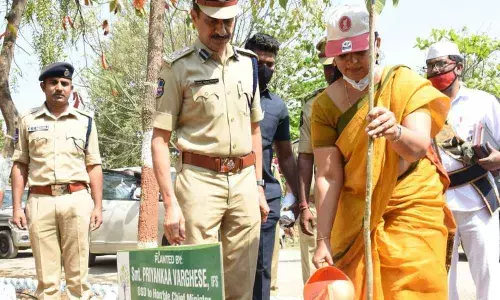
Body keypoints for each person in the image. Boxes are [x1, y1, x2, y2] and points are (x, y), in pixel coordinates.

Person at [310, 5, 455, 299]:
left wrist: (395, 131)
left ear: (375, 44)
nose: (351, 63)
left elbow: (417, 148)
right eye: (342, 55)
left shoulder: (403, 82)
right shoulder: (324, 106)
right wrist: (322, 239)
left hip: (411, 206)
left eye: (359, 53)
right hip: (357, 216)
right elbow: (327, 175)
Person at [151, 1, 266, 299]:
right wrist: (171, 203)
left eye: (228, 22)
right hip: (199, 182)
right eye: (213, 21)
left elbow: (255, 129)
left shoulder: (248, 64)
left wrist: (258, 186)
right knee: (198, 284)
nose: (221, 29)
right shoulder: (177, 67)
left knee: (241, 284)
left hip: (243, 182)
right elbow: (160, 139)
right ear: (194, 16)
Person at [10, 62, 103, 299]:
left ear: (71, 88)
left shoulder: (85, 120)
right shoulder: (27, 120)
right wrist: (16, 207)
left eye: (65, 83)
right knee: (47, 280)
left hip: (76, 199)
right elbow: (20, 164)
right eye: (53, 83)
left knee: (78, 277)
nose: (59, 88)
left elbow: (93, 165)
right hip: (40, 201)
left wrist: (97, 206)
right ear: (43, 87)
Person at [426, 41, 500, 300]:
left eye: (441, 64)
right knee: (441, 277)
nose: (435, 71)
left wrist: (498, 159)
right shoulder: (423, 106)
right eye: (430, 66)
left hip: (478, 200)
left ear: (459, 66)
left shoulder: (484, 102)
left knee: (488, 274)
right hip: (436, 203)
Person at [244, 32, 299, 300]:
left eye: (271, 64)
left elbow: (286, 156)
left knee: (261, 269)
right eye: (259, 63)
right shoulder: (230, 95)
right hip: (229, 192)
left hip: (266, 197)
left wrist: (300, 198)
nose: (266, 69)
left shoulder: (277, 106)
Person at [297, 37, 342, 284]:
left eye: (336, 64)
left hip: (355, 198)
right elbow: (305, 158)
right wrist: (304, 206)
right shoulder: (313, 104)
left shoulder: (371, 97)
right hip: (321, 200)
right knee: (318, 278)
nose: (332, 71)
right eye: (327, 66)